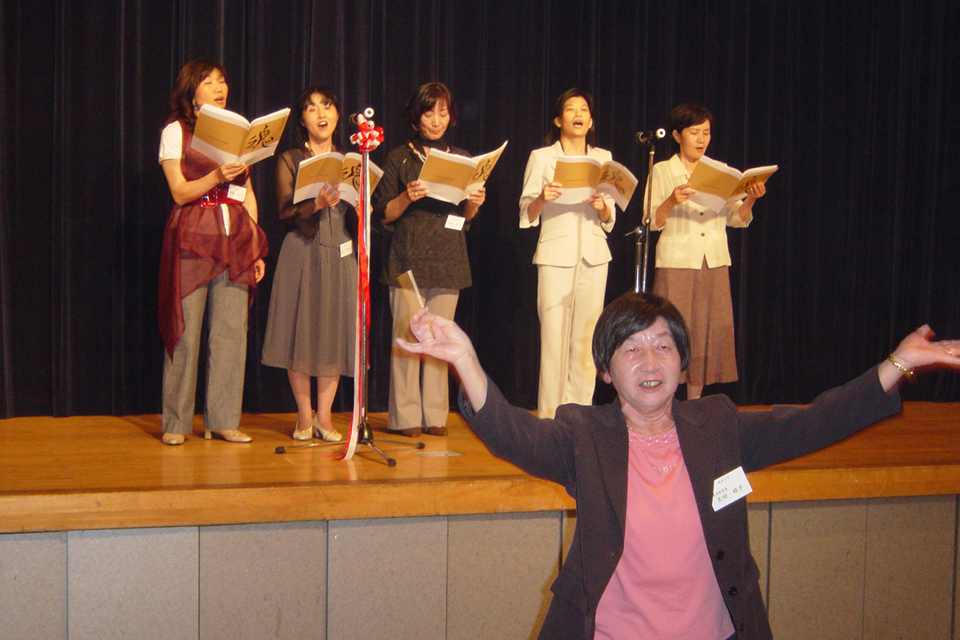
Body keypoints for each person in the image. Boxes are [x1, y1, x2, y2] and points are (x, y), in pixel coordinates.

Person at [397, 291, 960, 640]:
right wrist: (465, 359)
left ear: (683, 362)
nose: (650, 361)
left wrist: (899, 362)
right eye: (631, 348)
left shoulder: (717, 426)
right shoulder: (584, 435)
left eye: (664, 346)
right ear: (606, 371)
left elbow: (817, 421)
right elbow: (512, 434)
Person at [158, 59, 268, 445]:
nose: (219, 88)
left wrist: (254, 250)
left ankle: (222, 420)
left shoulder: (237, 133)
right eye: (209, 82)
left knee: (231, 333)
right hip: (194, 238)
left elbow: (247, 194)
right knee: (186, 334)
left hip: (235, 238)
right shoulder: (176, 131)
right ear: (191, 90)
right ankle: (176, 423)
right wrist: (216, 176)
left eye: (222, 81)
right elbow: (179, 192)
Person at [371, 82, 485, 437]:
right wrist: (407, 196)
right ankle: (405, 417)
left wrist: (474, 203)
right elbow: (383, 214)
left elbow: (465, 217)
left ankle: (435, 414)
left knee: (441, 338)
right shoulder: (399, 158)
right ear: (416, 117)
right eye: (429, 113)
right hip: (407, 256)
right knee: (408, 338)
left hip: (448, 256)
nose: (436, 120)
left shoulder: (461, 157)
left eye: (443, 113)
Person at [650, 103, 765, 400]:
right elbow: (652, 221)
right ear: (677, 135)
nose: (701, 139)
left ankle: (694, 404)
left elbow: (735, 218)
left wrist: (750, 199)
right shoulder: (663, 170)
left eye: (706, 132)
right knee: (671, 332)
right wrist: (672, 200)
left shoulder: (718, 170)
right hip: (677, 260)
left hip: (712, 260)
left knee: (705, 332)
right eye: (694, 132)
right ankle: (664, 402)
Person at [261, 86, 357, 442]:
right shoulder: (290, 159)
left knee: (333, 334)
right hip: (301, 250)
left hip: (340, 252)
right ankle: (304, 416)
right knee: (297, 333)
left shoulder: (350, 160)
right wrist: (315, 204)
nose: (321, 113)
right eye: (312, 108)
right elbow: (283, 211)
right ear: (302, 118)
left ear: (337, 114)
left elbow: (362, 215)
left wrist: (364, 205)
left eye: (327, 106)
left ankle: (325, 418)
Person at [519, 88, 616, 419]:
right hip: (555, 254)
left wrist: (603, 206)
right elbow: (527, 212)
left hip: (594, 254)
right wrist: (542, 198)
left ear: (591, 121)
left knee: (587, 339)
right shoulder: (542, 158)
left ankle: (579, 415)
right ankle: (550, 417)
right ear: (558, 120)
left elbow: (610, 217)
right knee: (554, 339)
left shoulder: (603, 157)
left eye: (584, 109)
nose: (578, 114)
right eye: (571, 109)